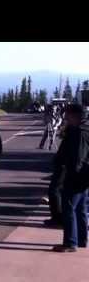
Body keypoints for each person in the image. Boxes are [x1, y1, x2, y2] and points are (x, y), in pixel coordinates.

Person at [52, 104, 89, 252]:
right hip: (85, 175)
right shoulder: (84, 129)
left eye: (67, 115)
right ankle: (81, 239)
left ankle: (70, 242)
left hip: (76, 176)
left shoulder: (79, 132)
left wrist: (71, 174)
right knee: (80, 208)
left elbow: (78, 157)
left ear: (75, 115)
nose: (65, 117)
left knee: (69, 208)